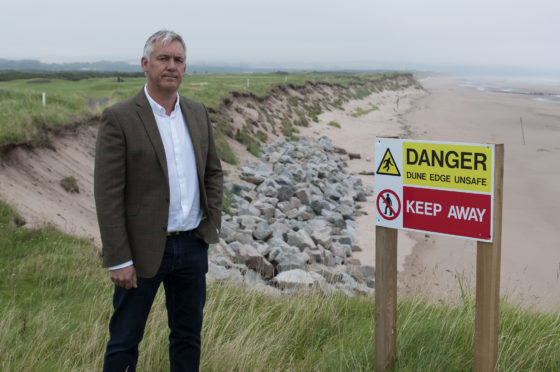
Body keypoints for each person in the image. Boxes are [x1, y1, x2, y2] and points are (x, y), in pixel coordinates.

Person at [94, 30, 223, 372]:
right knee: (124, 340)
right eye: (163, 58)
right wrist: (118, 258)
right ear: (145, 64)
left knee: (187, 337)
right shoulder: (119, 118)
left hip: (192, 247)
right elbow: (107, 194)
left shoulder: (197, 113)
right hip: (141, 252)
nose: (171, 66)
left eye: (178, 60)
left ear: (185, 68)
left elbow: (213, 173)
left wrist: (210, 226)